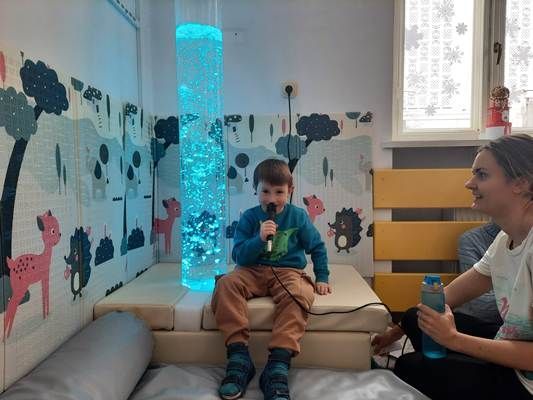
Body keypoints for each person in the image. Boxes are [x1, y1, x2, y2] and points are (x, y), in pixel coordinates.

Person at [372, 134, 533, 399]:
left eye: (482, 175)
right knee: (415, 317)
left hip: (527, 383)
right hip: (511, 343)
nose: (469, 183)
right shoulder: (505, 239)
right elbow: (450, 295)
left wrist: (453, 340)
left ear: (521, 183)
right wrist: (396, 332)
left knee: (410, 367)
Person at [211, 158, 332, 400]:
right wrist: (258, 239)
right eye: (265, 191)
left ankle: (278, 364)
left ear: (290, 191)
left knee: (299, 295)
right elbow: (239, 255)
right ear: (255, 190)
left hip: (287, 272)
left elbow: (317, 247)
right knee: (225, 284)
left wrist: (322, 276)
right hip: (252, 271)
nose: (272, 199)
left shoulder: (298, 217)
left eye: (279, 192)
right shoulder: (249, 218)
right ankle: (239, 356)